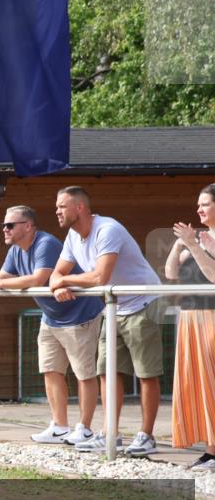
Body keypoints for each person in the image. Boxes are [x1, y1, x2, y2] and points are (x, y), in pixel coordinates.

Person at [0, 205, 104, 445]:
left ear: (28, 226)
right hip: (51, 317)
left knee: (84, 374)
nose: (4, 229)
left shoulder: (46, 243)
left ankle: (85, 428)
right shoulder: (16, 250)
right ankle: (59, 426)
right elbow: (1, 277)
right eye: (3, 225)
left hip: (80, 315)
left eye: (10, 225)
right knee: (50, 370)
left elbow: (37, 279)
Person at [50, 186, 164, 456]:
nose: (57, 211)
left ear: (80, 208)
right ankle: (109, 433)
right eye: (57, 207)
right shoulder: (72, 237)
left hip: (142, 302)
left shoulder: (107, 229)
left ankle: (146, 436)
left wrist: (65, 281)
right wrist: (58, 284)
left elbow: (100, 276)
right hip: (114, 307)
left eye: (62, 206)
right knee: (106, 370)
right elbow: (56, 273)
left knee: (146, 373)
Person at [165, 184, 215, 471]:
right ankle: (210, 450)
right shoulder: (199, 238)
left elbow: (213, 276)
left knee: (212, 385)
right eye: (198, 204)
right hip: (191, 319)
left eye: (205, 204)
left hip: (212, 317)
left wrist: (195, 245)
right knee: (196, 385)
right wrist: (178, 244)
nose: (198, 210)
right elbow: (171, 273)